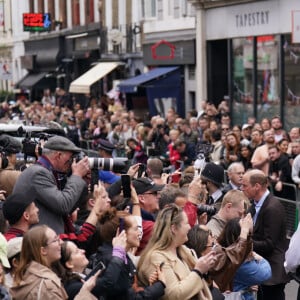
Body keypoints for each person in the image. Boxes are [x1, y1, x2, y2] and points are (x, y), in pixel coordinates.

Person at [12, 135, 90, 234]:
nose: (72, 162)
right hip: (39, 241)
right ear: (59, 155)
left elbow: (69, 207)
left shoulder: (49, 172)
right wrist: (77, 175)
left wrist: (83, 181)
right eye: (70, 158)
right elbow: (63, 205)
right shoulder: (38, 173)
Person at [138, 204, 216, 300]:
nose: (189, 227)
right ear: (174, 228)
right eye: (186, 223)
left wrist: (205, 270)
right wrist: (198, 271)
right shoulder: (156, 257)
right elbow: (173, 295)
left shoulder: (185, 251)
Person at [89, 208, 166, 300]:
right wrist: (160, 285)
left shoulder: (118, 255)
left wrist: (150, 286)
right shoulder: (113, 260)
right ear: (122, 233)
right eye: (136, 228)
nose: (139, 233)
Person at [10, 225, 98, 300]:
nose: (60, 243)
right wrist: (84, 292)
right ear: (43, 250)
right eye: (55, 240)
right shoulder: (46, 285)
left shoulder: (28, 275)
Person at [241, 169, 289, 300]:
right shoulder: (254, 205)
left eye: (245, 185)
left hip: (272, 274)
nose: (242, 188)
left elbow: (269, 244)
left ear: (257, 186)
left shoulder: (272, 208)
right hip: (262, 271)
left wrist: (243, 241)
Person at [218, 218, 271, 300]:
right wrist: (259, 258)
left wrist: (247, 286)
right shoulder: (241, 262)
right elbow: (265, 273)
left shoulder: (221, 251)